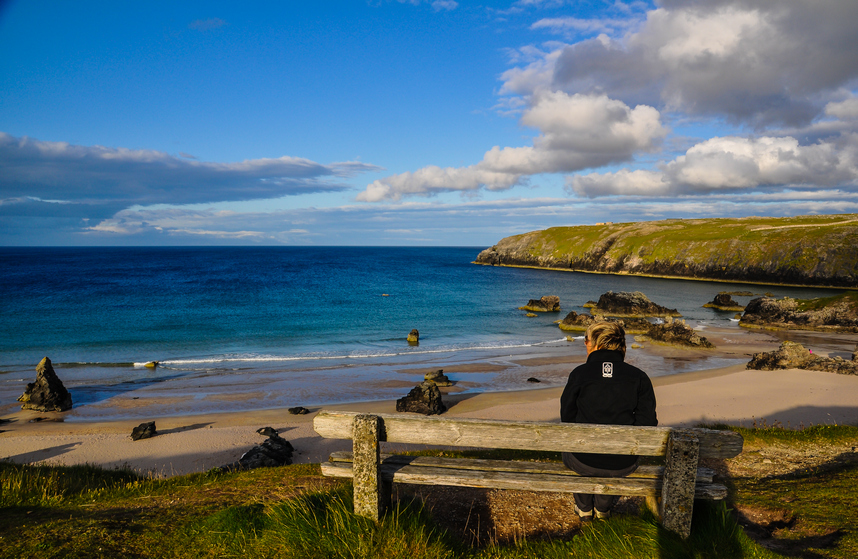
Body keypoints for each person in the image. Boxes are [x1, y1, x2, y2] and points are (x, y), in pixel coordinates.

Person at [560, 321, 658, 521]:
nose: (585, 345)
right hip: (623, 462)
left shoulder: (579, 374)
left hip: (583, 460)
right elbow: (647, 423)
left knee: (574, 451)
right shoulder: (639, 377)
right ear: (622, 346)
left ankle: (585, 509)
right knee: (614, 458)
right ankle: (603, 509)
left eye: (586, 341)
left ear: (595, 344)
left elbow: (567, 417)